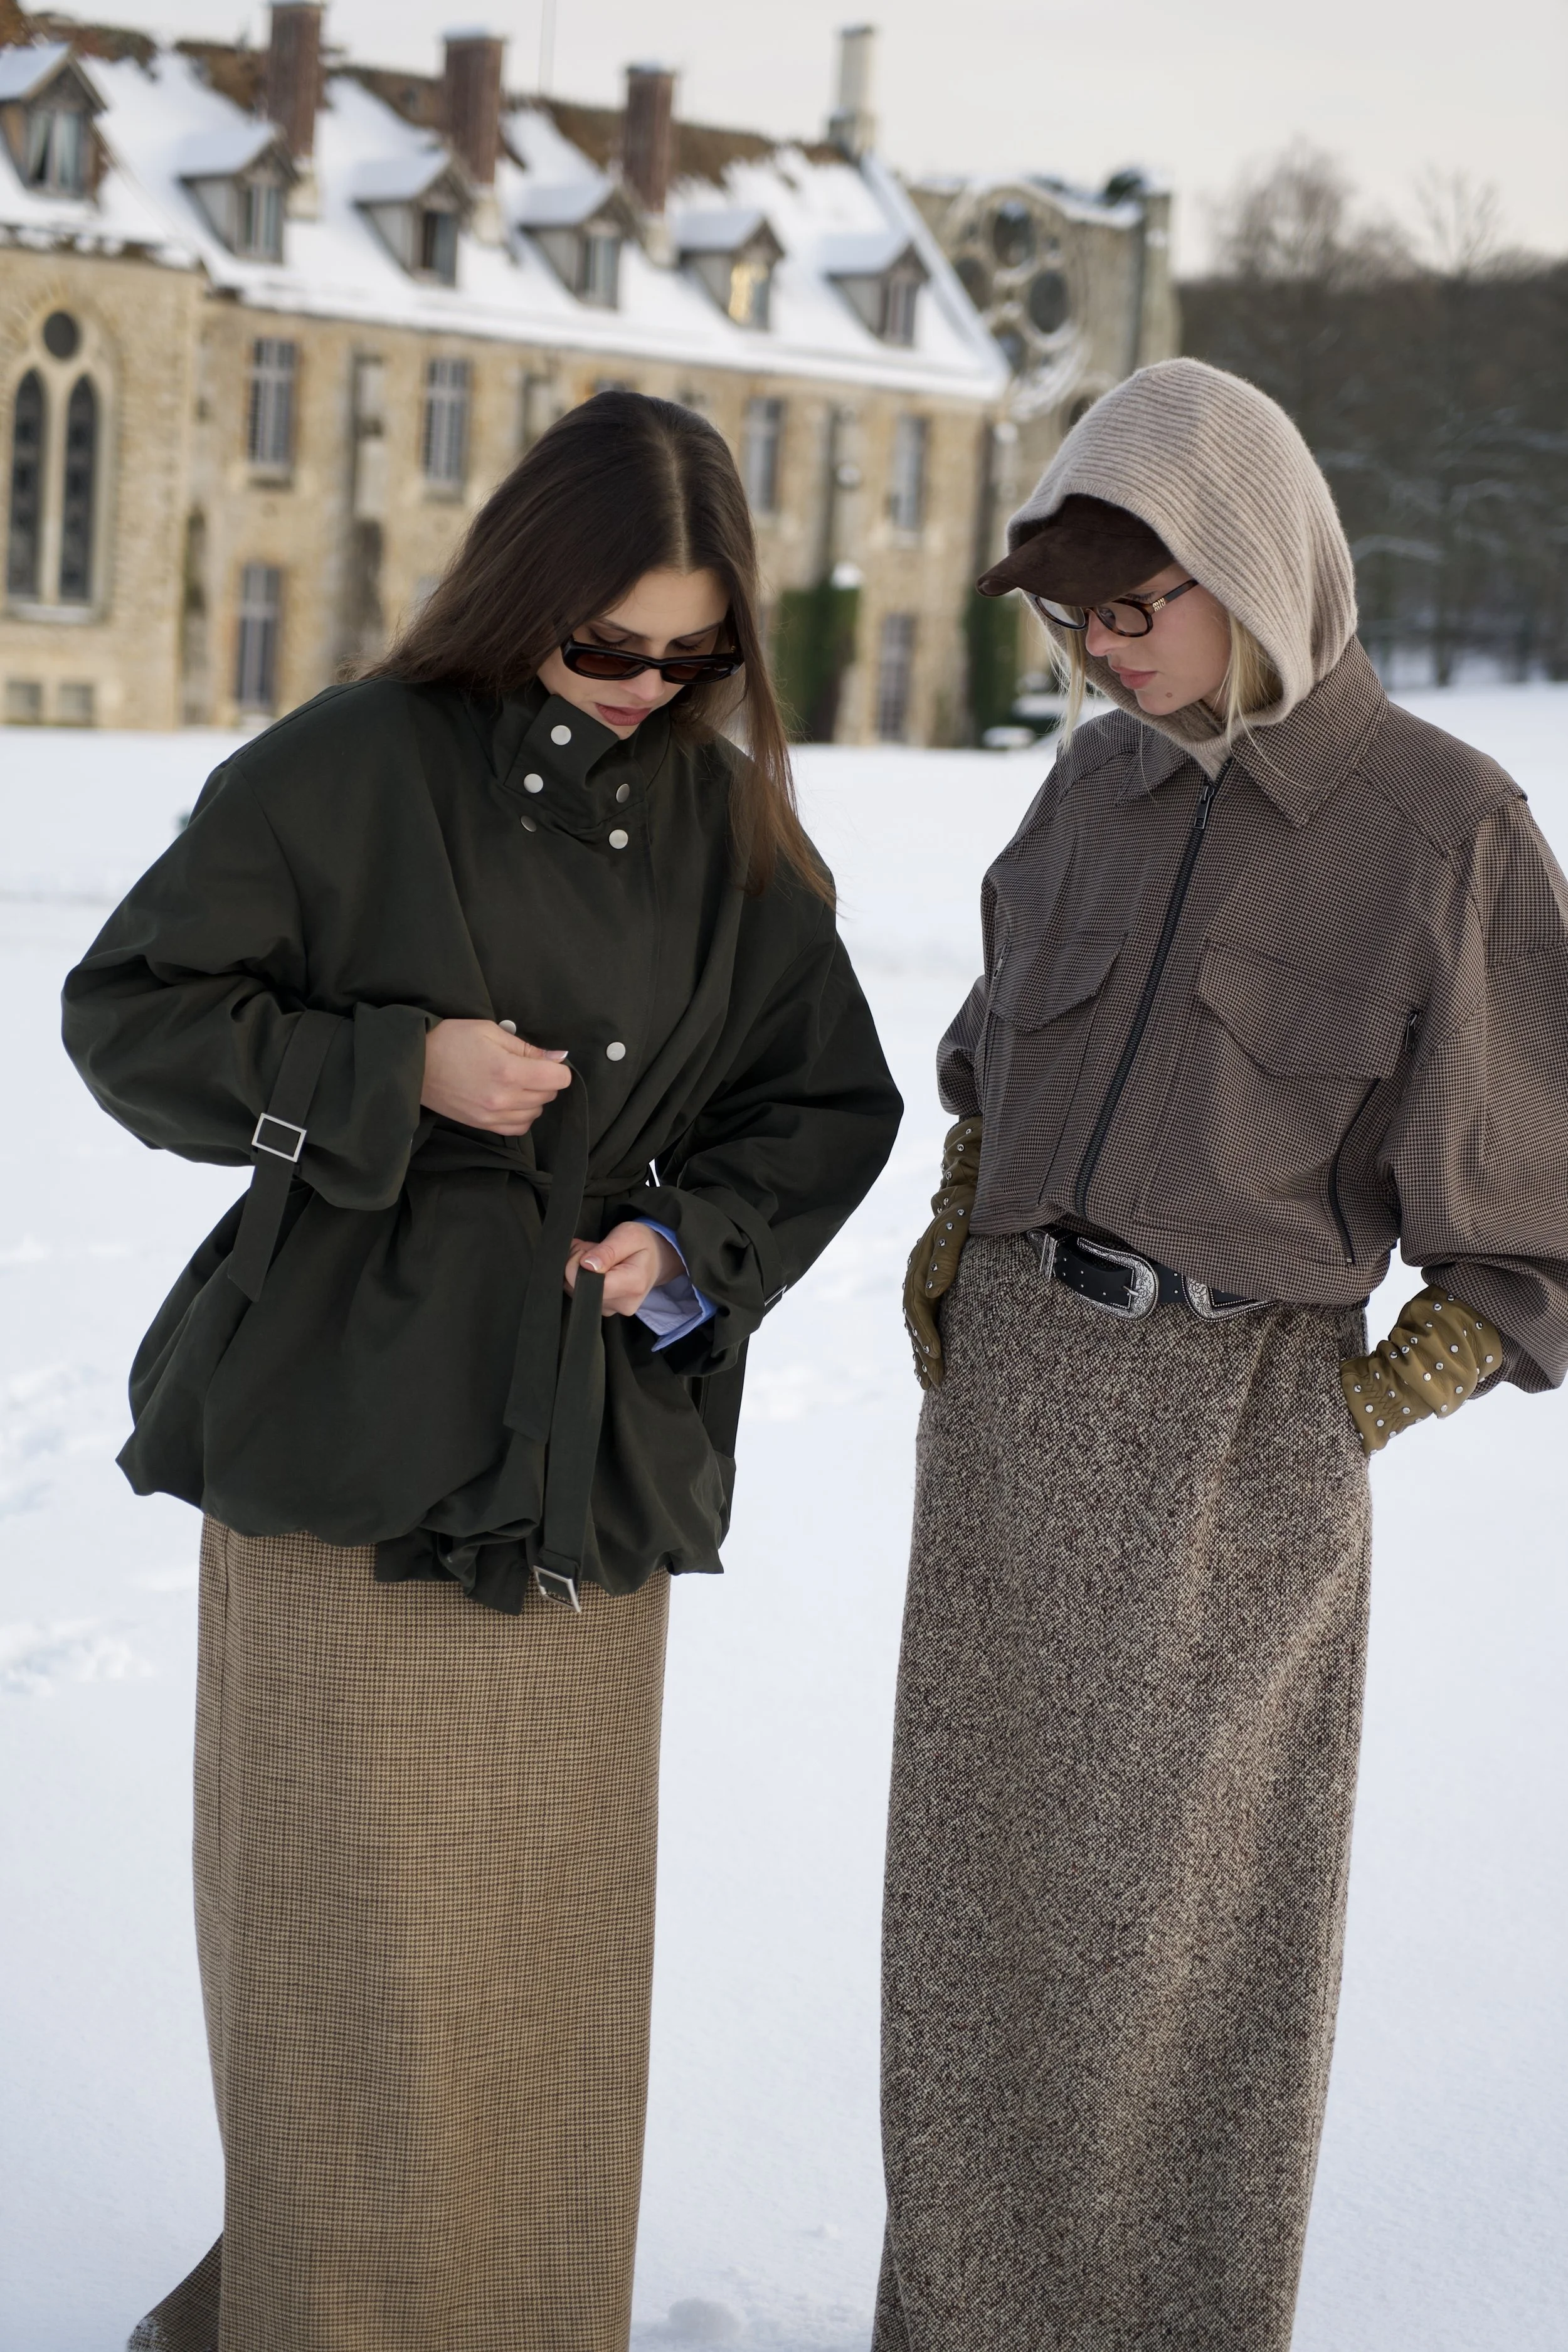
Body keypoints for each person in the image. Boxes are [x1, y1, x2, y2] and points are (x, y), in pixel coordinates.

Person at [62, 389, 901, 2352]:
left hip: (584, 1460)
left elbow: (828, 1104)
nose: (644, 685)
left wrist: (693, 1242)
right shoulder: (348, 767)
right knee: (344, 1955)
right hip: (344, 1430)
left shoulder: (730, 825)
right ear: (522, 591)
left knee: (539, 1964)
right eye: (606, 642)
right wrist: (389, 1069)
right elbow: (133, 1020)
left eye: (691, 655)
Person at [882, 357, 1568, 2351]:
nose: (1102, 656)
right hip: (1008, 1418)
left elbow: (1541, 1195)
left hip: (1229, 1446)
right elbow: (997, 1045)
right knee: (970, 1936)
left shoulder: (1440, 823)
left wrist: (1381, 1391)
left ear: (1252, 568)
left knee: (1182, 1958)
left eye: (1137, 607)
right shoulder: (1086, 785)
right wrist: (958, 1209)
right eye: (1073, 618)